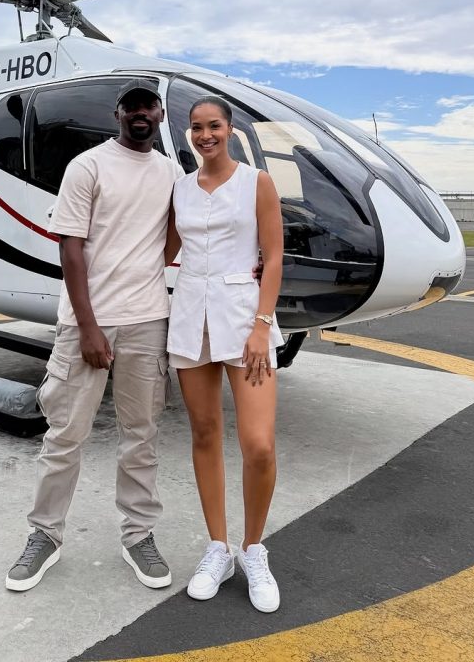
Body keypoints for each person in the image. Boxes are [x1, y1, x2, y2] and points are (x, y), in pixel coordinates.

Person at [6, 78, 182, 593]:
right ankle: (45, 535)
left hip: (148, 319)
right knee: (64, 436)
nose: (140, 114)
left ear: (160, 115)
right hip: (87, 322)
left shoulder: (171, 172)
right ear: (118, 115)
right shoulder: (88, 166)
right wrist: (88, 327)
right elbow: (71, 249)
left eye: (148, 106)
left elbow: (169, 244)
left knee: (142, 437)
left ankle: (138, 534)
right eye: (131, 108)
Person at [164, 95, 284, 613]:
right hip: (191, 314)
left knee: (258, 444)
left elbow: (274, 254)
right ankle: (219, 548)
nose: (205, 134)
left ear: (230, 130)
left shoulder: (257, 183)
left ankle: (254, 548)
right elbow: (163, 251)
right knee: (205, 433)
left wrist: (261, 325)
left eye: (214, 126)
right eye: (196, 127)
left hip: (244, 318)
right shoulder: (181, 189)